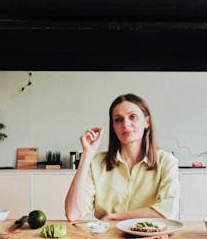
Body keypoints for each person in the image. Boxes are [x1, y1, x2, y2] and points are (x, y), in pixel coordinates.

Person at [63, 93, 180, 222]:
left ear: (147, 122)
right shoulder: (96, 162)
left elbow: (168, 213)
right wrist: (86, 155)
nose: (126, 124)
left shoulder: (167, 162)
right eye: (118, 119)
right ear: (113, 127)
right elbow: (73, 214)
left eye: (133, 117)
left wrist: (114, 217)